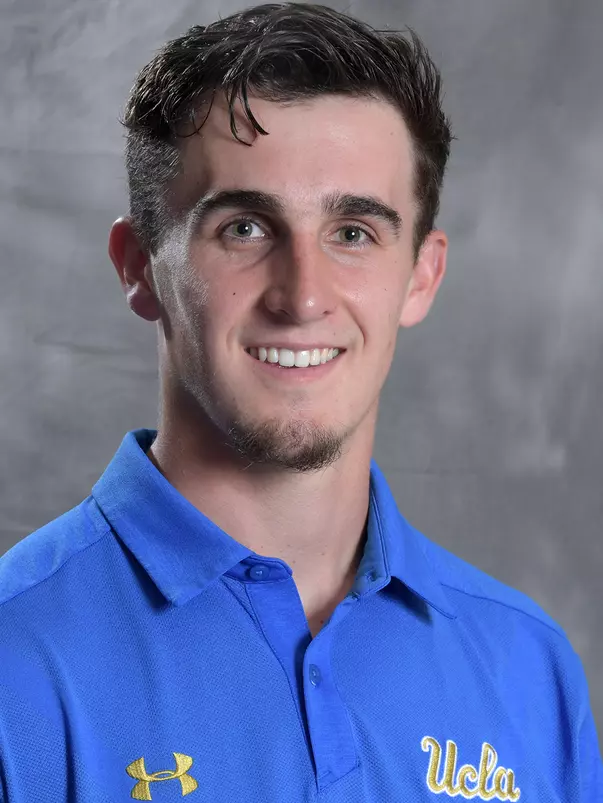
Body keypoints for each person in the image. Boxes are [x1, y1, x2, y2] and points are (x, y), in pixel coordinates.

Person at [0, 3, 601, 801]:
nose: (303, 296)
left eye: (353, 231)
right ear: (139, 267)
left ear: (421, 274)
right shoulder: (17, 657)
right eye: (244, 227)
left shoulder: (528, 666)